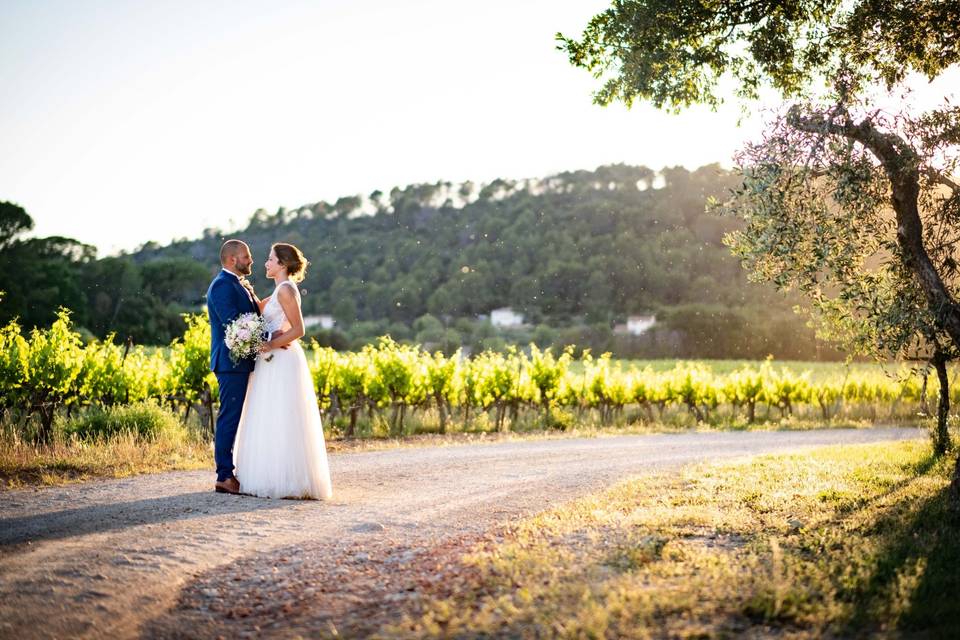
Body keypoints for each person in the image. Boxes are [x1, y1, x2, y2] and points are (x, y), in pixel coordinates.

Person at [233, 242, 333, 499]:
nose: (265, 263)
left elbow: (299, 330)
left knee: (281, 415)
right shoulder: (280, 290)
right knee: (270, 415)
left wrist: (269, 344)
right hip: (272, 358)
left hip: (281, 357)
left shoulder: (287, 290)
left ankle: (286, 480)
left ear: (282, 264)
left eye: (269, 259)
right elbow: (258, 308)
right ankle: (270, 475)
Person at [206, 240, 259, 494]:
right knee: (229, 416)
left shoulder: (238, 284)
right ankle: (224, 476)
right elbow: (234, 324)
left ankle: (233, 472)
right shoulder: (221, 286)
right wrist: (266, 340)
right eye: (246, 256)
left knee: (237, 416)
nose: (250, 260)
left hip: (241, 362)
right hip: (230, 363)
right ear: (231, 260)